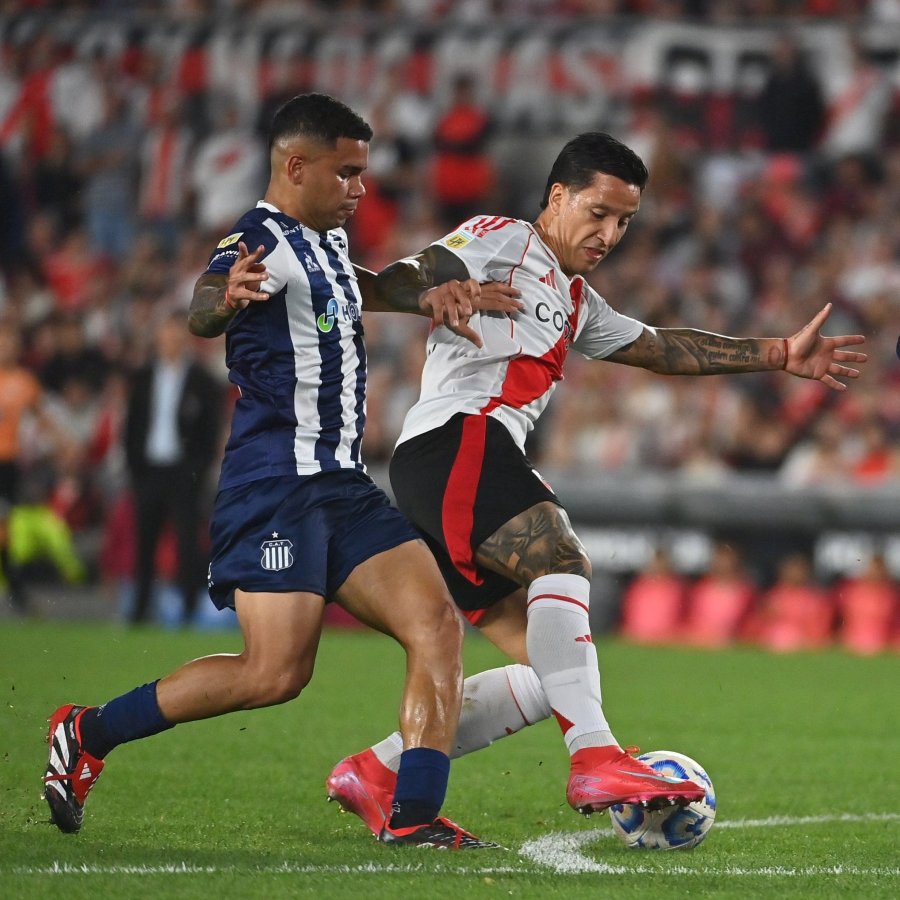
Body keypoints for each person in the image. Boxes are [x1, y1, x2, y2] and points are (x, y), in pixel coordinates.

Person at [325, 131, 867, 835]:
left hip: (462, 460)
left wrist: (776, 353)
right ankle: (595, 759)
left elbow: (663, 347)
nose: (610, 233)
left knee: (554, 674)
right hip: (456, 442)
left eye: (625, 221)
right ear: (557, 197)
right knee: (563, 557)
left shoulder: (574, 298)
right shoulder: (502, 239)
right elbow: (403, 276)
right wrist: (429, 292)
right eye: (599, 212)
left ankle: (379, 770)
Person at [42, 93, 520, 849]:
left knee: (435, 627)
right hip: (274, 485)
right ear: (297, 166)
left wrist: (429, 293)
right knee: (274, 674)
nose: (361, 188)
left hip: (344, 484)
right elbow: (209, 298)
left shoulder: (323, 241)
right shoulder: (255, 242)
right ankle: (87, 731)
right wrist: (217, 305)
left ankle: (416, 818)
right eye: (348, 172)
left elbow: (361, 285)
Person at [123, 312, 223, 625]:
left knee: (187, 544)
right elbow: (131, 427)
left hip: (184, 473)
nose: (172, 338)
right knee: (145, 543)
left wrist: (197, 470)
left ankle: (189, 610)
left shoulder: (202, 380)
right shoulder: (141, 377)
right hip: (149, 471)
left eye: (177, 332)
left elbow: (211, 432)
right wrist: (134, 466)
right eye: (167, 331)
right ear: (159, 336)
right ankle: (140, 611)